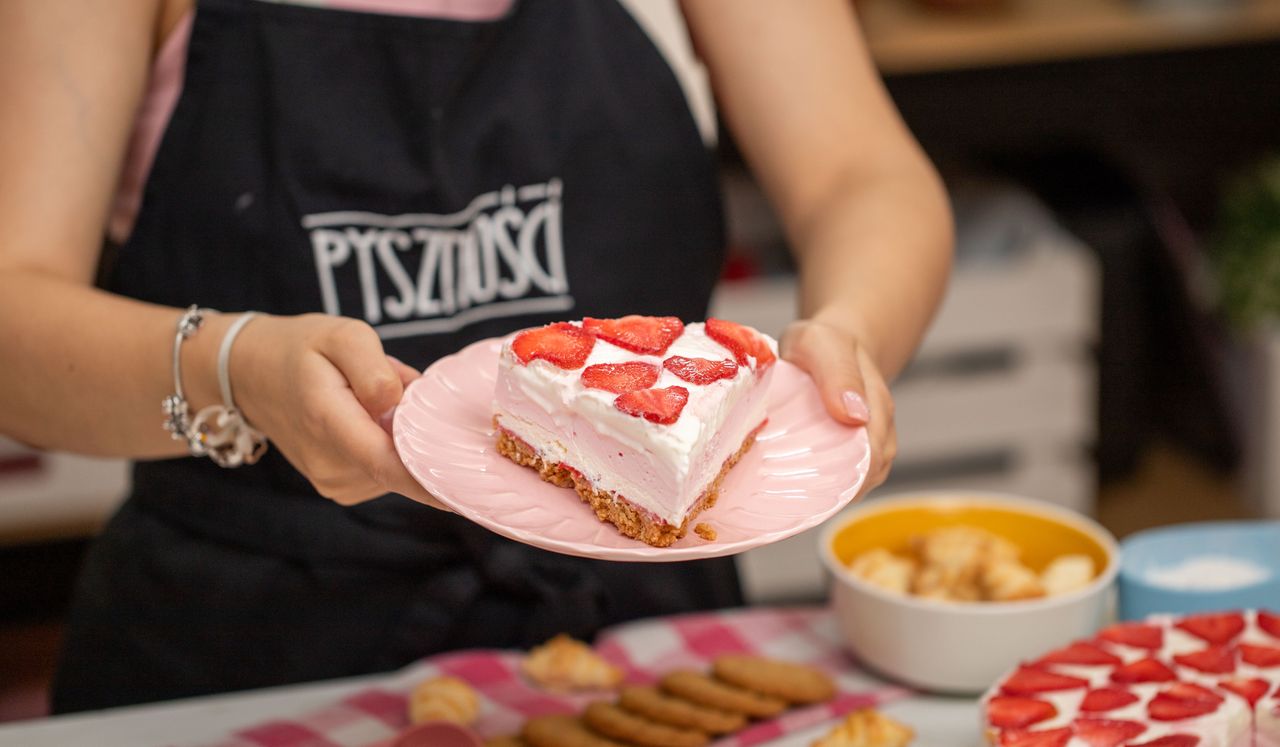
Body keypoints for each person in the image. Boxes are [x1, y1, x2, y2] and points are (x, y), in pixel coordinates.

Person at [0, 0, 952, 713]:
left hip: (636, 630)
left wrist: (851, 327)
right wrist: (235, 369)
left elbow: (861, 173)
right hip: (242, 641)